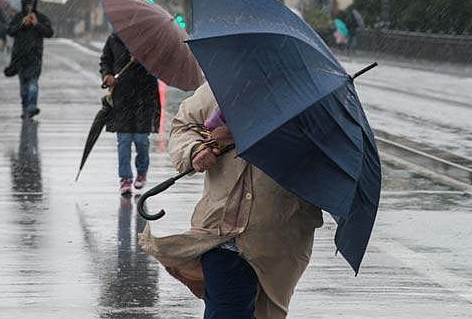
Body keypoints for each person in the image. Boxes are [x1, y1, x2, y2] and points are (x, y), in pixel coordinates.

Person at [139, 83, 323, 318]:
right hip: (220, 233)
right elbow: (183, 126)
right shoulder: (223, 86)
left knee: (263, 313)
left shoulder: (309, 98)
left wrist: (273, 133)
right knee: (227, 310)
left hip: (279, 238)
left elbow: (324, 163)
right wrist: (195, 149)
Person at [99, 33, 160, 196]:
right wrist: (107, 75)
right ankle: (125, 179)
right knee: (124, 140)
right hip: (122, 98)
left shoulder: (148, 40)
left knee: (141, 140)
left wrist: (142, 59)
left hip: (144, 98)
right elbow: (106, 61)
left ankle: (142, 171)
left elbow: (159, 64)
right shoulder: (114, 39)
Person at [6, 0, 53, 119]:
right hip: (20, 56)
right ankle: (25, 108)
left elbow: (49, 33)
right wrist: (22, 24)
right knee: (23, 86)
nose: (29, 7)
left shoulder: (41, 18)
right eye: (27, 5)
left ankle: (32, 106)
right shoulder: (18, 17)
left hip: (35, 56)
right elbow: (10, 31)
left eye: (31, 5)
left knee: (33, 83)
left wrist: (36, 24)